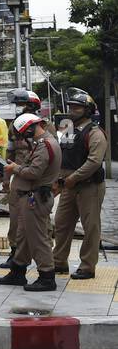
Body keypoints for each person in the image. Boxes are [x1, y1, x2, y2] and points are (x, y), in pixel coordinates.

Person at [0, 114, 62, 291]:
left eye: (26, 133)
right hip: (28, 198)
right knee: (23, 237)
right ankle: (18, 272)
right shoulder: (41, 144)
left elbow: (34, 173)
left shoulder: (45, 145)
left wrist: (14, 168)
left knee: (38, 239)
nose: (25, 137)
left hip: (36, 199)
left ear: (32, 127)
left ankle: (47, 277)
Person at [52, 88, 107, 280]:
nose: (72, 111)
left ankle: (87, 266)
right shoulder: (67, 129)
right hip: (68, 186)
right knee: (61, 223)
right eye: (71, 107)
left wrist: (72, 178)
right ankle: (58, 262)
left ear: (88, 110)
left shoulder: (95, 133)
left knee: (90, 226)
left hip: (89, 186)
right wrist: (58, 180)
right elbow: (63, 156)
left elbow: (94, 162)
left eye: (77, 108)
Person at [0, 88, 54, 269]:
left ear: (33, 106)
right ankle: (15, 255)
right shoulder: (13, 127)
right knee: (16, 221)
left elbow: (54, 157)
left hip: (40, 182)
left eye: (22, 105)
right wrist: (6, 178)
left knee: (41, 224)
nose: (19, 109)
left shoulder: (48, 127)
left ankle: (47, 259)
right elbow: (9, 154)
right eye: (17, 105)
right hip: (19, 180)